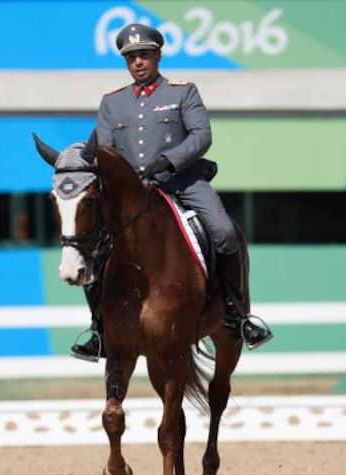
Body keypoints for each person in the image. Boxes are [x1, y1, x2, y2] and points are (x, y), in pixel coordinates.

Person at [71, 23, 273, 362]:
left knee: (224, 233)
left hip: (182, 182)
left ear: (158, 56)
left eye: (144, 55)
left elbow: (201, 136)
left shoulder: (182, 92)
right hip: (131, 196)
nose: (138, 62)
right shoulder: (112, 102)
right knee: (97, 249)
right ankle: (98, 329)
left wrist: (168, 162)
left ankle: (238, 316)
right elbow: (104, 150)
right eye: (131, 57)